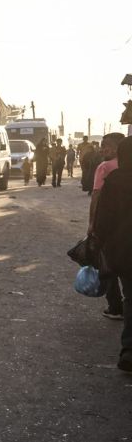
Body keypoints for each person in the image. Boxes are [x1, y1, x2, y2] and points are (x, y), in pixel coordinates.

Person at [91, 136, 132, 372]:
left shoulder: (115, 180)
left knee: (131, 298)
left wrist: (98, 238)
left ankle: (128, 350)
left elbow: (103, 218)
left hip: (125, 251)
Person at [90, 132, 126, 319]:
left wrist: (92, 224)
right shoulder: (127, 166)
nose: (104, 149)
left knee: (108, 265)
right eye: (103, 146)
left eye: (108, 146)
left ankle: (115, 307)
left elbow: (96, 196)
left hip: (109, 225)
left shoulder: (104, 167)